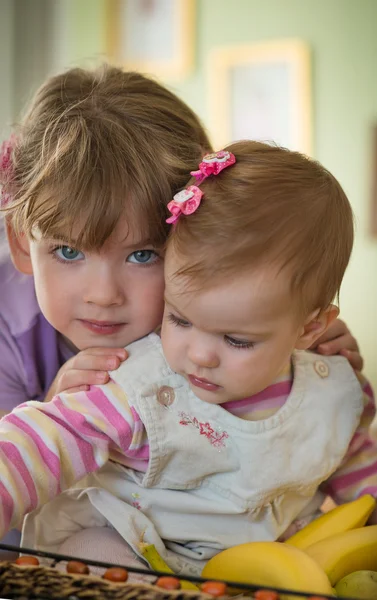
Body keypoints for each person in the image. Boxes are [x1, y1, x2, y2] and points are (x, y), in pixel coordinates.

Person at [0, 64, 362, 554]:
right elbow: (22, 466)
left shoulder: (240, 335)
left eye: (144, 254)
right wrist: (56, 400)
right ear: (23, 244)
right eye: (68, 252)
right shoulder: (11, 333)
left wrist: (304, 367)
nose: (103, 294)